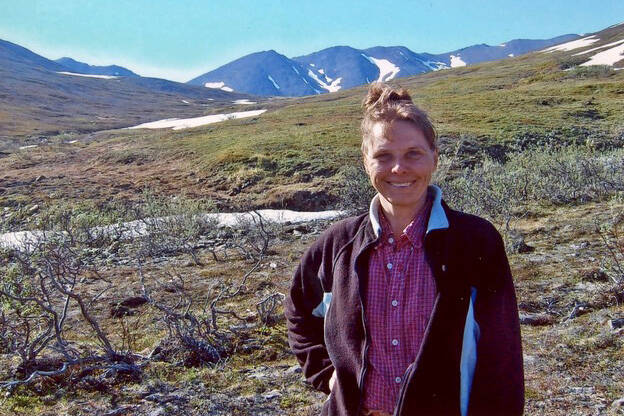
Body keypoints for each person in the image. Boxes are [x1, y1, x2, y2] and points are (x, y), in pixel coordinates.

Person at [284, 82, 524, 416]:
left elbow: (503, 357)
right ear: (366, 162)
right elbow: (298, 308)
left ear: (434, 157)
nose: (399, 168)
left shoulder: (475, 242)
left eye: (413, 153)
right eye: (383, 156)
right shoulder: (338, 244)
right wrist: (328, 375)